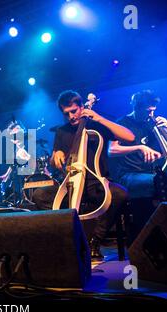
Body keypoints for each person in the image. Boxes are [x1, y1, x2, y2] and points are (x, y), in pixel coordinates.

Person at [36, 90, 135, 260]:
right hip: (71, 185)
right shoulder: (62, 131)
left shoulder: (96, 125)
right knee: (40, 195)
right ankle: (70, 235)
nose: (71, 117)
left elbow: (130, 137)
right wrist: (56, 156)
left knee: (120, 194)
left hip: (96, 183)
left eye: (74, 111)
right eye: (66, 113)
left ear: (82, 107)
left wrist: (100, 119)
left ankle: (94, 241)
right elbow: (55, 161)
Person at [108, 90, 167, 198]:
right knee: (162, 181)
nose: (151, 114)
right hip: (128, 175)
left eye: (153, 110)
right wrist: (139, 148)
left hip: (150, 173)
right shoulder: (121, 123)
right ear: (137, 108)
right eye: (148, 111)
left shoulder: (150, 123)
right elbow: (111, 150)